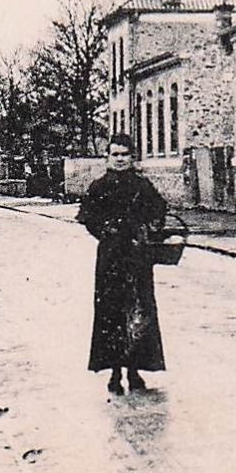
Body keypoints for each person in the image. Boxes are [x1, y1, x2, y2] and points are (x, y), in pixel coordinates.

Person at [76, 134, 167, 394]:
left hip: (138, 259)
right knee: (111, 313)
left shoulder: (142, 186)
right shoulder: (99, 187)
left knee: (139, 311)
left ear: (132, 157)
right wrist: (105, 231)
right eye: (114, 154)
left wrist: (152, 227)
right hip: (110, 259)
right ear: (107, 157)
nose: (119, 159)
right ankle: (114, 372)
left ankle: (135, 370)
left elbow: (158, 210)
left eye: (124, 154)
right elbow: (87, 217)